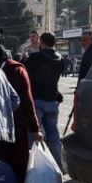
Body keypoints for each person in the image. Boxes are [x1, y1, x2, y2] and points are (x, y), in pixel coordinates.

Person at [0, 43, 43, 183]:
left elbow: (27, 102)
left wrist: (35, 129)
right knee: (15, 170)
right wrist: (35, 130)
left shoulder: (14, 70)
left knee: (10, 169)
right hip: (13, 129)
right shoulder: (17, 70)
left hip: (7, 130)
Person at [25, 32, 64, 169]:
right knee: (53, 134)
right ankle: (58, 164)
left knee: (33, 133)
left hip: (37, 99)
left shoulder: (35, 57)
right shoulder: (61, 59)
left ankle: (30, 164)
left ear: (41, 42)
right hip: (52, 100)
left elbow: (25, 75)